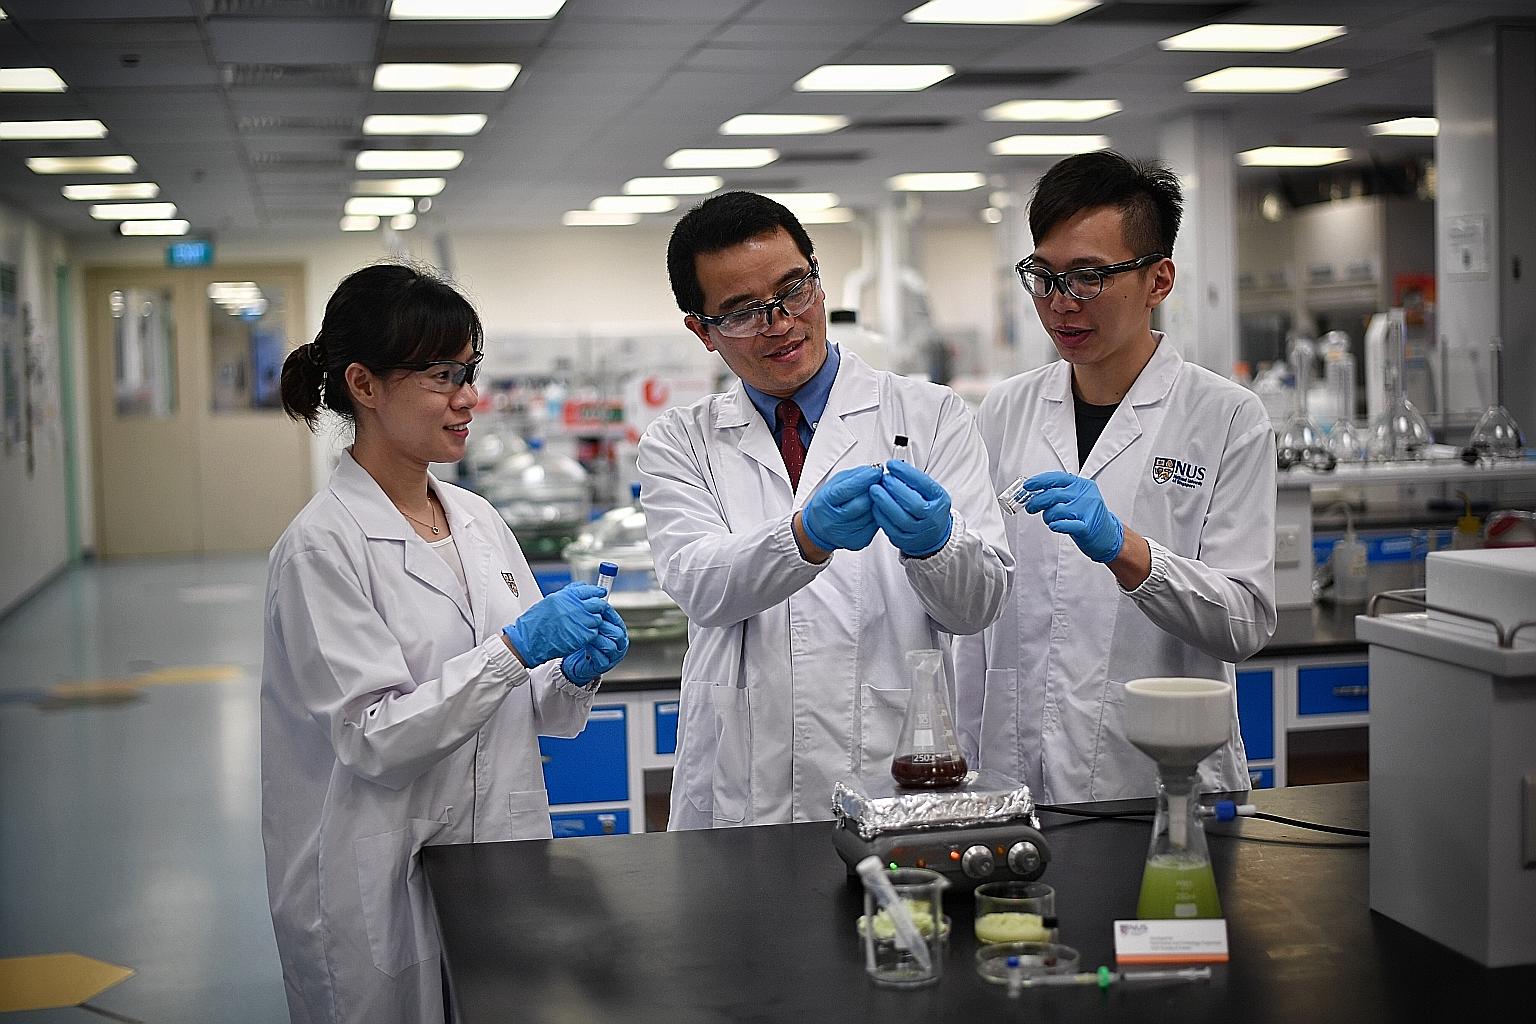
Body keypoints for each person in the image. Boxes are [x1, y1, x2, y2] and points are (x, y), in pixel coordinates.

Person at [261, 263, 629, 1024]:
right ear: (364, 384)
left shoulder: (479, 520)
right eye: (441, 375)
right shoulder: (322, 548)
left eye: (469, 371)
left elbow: (541, 710)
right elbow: (375, 740)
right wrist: (518, 648)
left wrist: (577, 672)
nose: (468, 397)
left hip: (496, 854)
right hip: (376, 874)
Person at [638, 191, 1013, 829]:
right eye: (743, 312)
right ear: (701, 330)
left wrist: (938, 546)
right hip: (741, 783)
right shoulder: (679, 442)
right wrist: (801, 538)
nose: (780, 322)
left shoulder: (932, 416)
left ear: (818, 278)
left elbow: (976, 608)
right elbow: (699, 586)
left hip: (893, 761)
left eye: (794, 290)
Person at [955, 151, 1277, 803]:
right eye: (1043, 277)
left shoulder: (1226, 417)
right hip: (1015, 778)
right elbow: (981, 605)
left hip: (1161, 776)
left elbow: (1243, 623)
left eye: (1088, 278)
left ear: (1159, 280)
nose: (1060, 304)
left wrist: (1126, 552)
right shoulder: (1007, 409)